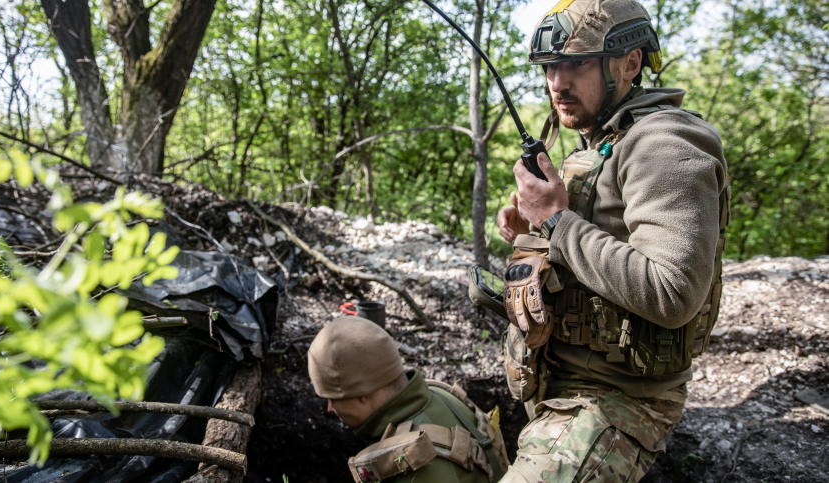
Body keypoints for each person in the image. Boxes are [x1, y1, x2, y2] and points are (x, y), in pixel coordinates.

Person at [495, 0, 730, 480]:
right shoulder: (603, 141)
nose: (557, 83)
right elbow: (595, 250)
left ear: (630, 62)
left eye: (576, 63)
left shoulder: (664, 143)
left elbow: (672, 291)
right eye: (550, 67)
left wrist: (558, 222)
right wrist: (535, 231)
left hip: (618, 399)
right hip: (561, 382)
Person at [306, 316, 508, 483]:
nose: (329, 408)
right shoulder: (441, 393)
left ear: (364, 393)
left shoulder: (417, 468)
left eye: (332, 398)